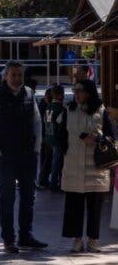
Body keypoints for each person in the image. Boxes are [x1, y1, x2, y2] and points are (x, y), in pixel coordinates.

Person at [0, 61, 47, 254]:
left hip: (27, 155)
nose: (17, 78)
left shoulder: (29, 94)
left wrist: (36, 147)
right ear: (5, 76)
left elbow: (37, 122)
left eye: (20, 75)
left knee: (28, 197)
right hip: (5, 158)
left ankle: (26, 236)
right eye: (14, 75)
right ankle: (9, 240)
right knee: (7, 199)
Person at [58, 79, 113, 253]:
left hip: (95, 168)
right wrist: (66, 151)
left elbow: (112, 137)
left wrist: (98, 140)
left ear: (89, 92)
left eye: (80, 90)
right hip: (73, 166)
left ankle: (93, 240)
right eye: (74, 90)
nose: (76, 94)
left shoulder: (101, 111)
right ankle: (77, 240)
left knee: (95, 207)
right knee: (74, 207)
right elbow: (60, 136)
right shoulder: (68, 110)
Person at [45, 85, 66, 192]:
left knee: (54, 160)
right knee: (57, 162)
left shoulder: (49, 106)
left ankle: (52, 182)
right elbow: (61, 124)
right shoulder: (61, 109)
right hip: (57, 138)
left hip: (48, 136)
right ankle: (54, 184)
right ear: (60, 95)